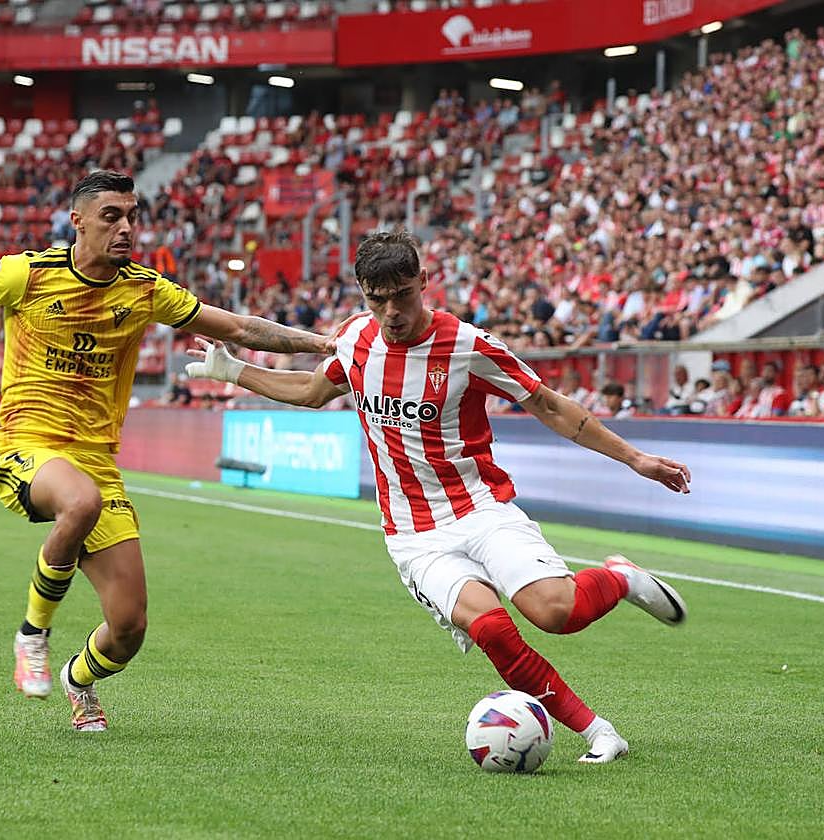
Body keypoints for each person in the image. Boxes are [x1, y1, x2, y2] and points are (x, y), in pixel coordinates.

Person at [0, 170, 334, 732]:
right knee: (80, 501)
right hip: (26, 447)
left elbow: (236, 326)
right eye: (112, 215)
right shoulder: (27, 274)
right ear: (78, 221)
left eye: (132, 216)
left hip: (96, 464)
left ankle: (77, 680)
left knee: (129, 626)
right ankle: (32, 634)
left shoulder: (144, 290)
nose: (126, 228)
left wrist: (320, 342)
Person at [185, 229, 691, 764]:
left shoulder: (468, 346)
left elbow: (549, 405)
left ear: (424, 282)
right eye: (376, 299)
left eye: (402, 295)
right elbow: (312, 392)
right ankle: (598, 733)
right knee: (492, 627)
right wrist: (236, 371)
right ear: (362, 292)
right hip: (413, 535)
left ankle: (620, 577)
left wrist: (637, 459)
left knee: (555, 612)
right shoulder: (357, 339)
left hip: (480, 507)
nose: (391, 312)